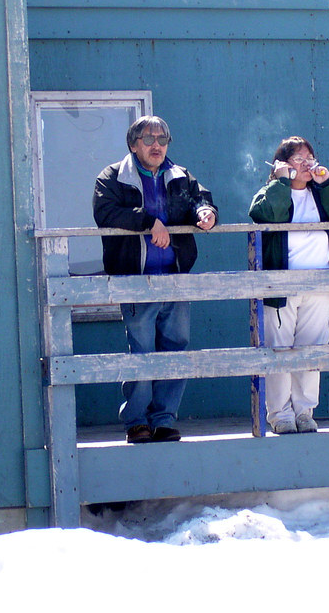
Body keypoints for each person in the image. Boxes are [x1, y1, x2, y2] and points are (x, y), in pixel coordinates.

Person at [93, 116, 218, 444]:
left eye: (162, 139)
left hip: (175, 278)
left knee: (175, 349)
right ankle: (137, 421)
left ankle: (163, 419)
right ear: (133, 145)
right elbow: (106, 213)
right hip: (136, 280)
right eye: (148, 139)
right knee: (143, 352)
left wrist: (206, 214)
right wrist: (149, 222)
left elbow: (200, 200)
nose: (157, 145)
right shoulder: (112, 177)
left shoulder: (180, 175)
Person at [248, 136, 329, 434]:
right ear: (283, 164)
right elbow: (264, 214)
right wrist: (281, 182)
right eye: (299, 159)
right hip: (282, 287)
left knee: (312, 351)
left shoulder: (323, 192)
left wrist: (326, 182)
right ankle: (280, 415)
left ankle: (304, 412)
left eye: (310, 158)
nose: (307, 164)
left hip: (322, 284)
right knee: (279, 351)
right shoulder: (271, 191)